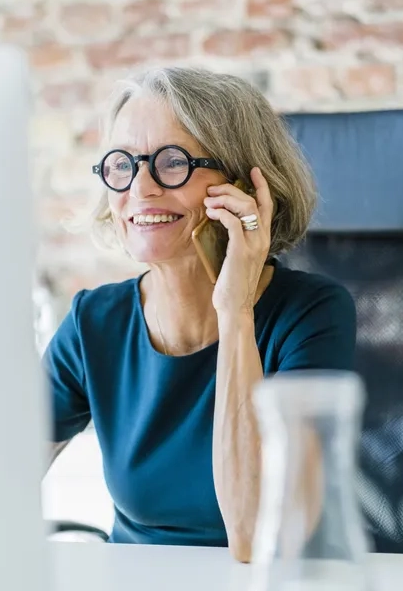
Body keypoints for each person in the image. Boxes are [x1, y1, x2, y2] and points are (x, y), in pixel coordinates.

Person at [43, 66, 356, 563]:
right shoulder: (93, 323)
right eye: (122, 164)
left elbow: (254, 536)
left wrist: (235, 312)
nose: (141, 188)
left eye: (172, 162)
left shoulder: (311, 314)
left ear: (245, 185)